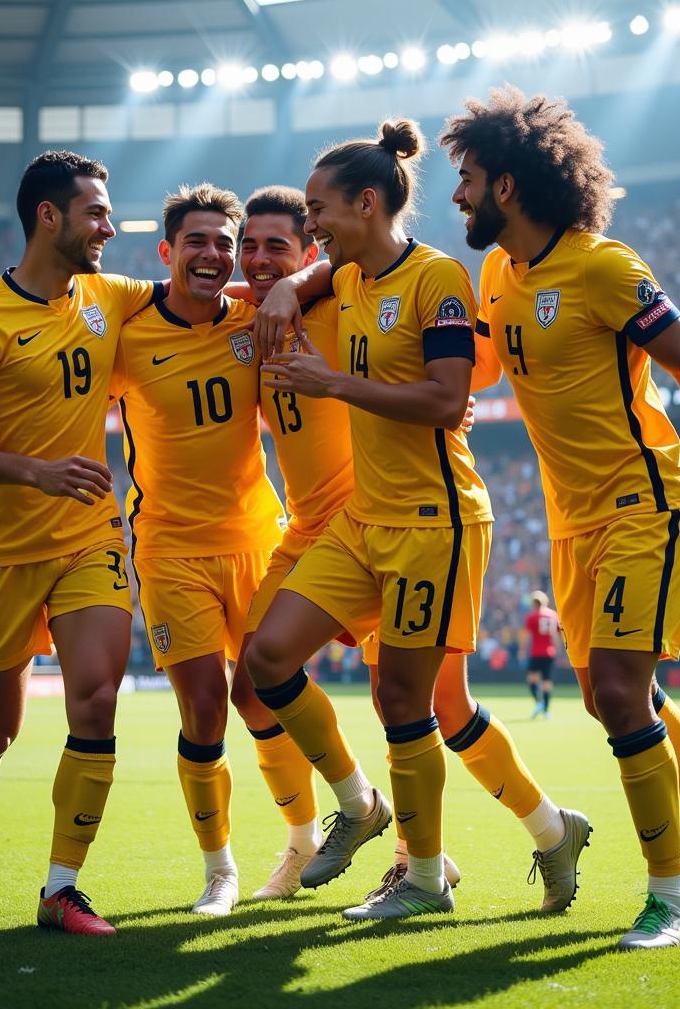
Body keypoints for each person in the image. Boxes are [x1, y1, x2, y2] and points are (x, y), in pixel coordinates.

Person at [440, 87, 680, 949]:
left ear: (506, 185)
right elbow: (468, 370)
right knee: (613, 694)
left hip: (644, 501)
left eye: (466, 179)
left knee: (620, 693)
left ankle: (665, 900)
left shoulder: (602, 266)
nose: (457, 196)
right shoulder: (498, 273)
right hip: (569, 521)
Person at [241, 184, 591, 912]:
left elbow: (453, 385)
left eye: (288, 240)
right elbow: (201, 293)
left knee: (424, 703)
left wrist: (348, 371)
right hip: (344, 525)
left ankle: (433, 865)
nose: (261, 257)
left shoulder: (384, 283)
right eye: (252, 244)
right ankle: (390, 816)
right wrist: (282, 287)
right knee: (274, 671)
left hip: (423, 518)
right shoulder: (296, 294)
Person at [245, 119, 493, 921]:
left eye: (318, 209)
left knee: (403, 702)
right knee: (268, 656)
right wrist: (292, 282)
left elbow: (449, 401)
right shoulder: (345, 278)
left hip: (434, 521)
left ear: (366, 201)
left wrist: (334, 387)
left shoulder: (439, 278)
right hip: (363, 522)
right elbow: (317, 276)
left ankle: (422, 880)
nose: (309, 224)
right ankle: (359, 805)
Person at [0, 150, 155, 936]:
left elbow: (197, 300)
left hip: (89, 536)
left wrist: (292, 286)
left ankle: (62, 889)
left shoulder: (108, 295)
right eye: (97, 210)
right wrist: (35, 471)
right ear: (48, 216)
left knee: (96, 699)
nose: (109, 225)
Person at [110, 183, 290, 917]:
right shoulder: (125, 334)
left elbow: (338, 282)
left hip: (256, 538)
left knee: (264, 697)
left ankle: (307, 839)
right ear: (167, 252)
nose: (214, 254)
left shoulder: (255, 316)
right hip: (169, 549)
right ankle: (220, 871)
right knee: (206, 709)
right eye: (198, 242)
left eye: (226, 242)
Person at [524, 591, 559, 718]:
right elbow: (555, 636)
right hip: (549, 653)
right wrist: (557, 650)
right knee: (547, 682)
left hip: (536, 652)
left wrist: (522, 650)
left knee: (531, 679)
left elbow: (527, 637)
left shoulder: (532, 617)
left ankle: (539, 703)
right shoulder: (553, 615)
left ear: (534, 603)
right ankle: (546, 710)